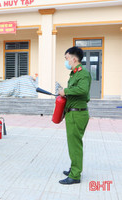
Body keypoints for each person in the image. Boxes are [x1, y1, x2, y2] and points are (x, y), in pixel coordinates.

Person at [58, 46, 92, 185]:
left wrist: (65, 91)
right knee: (73, 144)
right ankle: (74, 168)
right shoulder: (74, 74)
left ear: (74, 58)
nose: (66, 62)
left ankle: (75, 175)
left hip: (77, 114)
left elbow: (83, 90)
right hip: (72, 113)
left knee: (75, 145)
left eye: (67, 59)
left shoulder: (82, 73)